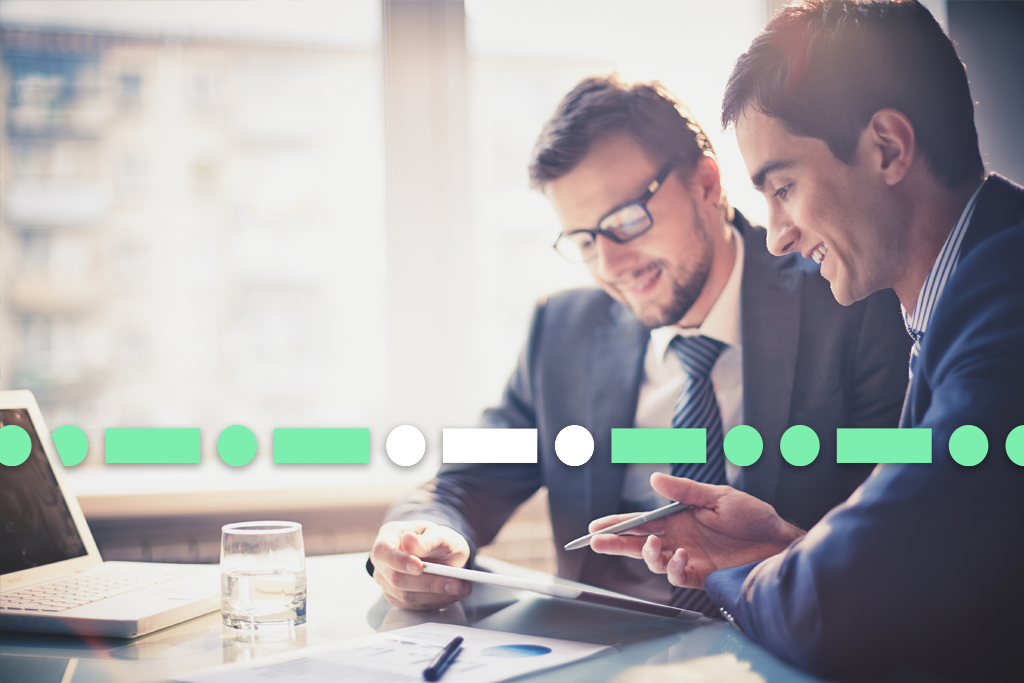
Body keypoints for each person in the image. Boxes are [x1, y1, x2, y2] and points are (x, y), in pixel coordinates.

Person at [590, 1, 1024, 679]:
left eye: (783, 186)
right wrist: (790, 545)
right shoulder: (960, 296)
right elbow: (934, 569)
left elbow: (842, 605)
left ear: (888, 147)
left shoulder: (1006, 294)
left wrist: (755, 571)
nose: (776, 235)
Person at [369, 75, 910, 616]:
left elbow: (895, 538)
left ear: (705, 183)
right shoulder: (561, 331)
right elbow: (465, 479)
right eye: (584, 240)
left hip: (777, 645)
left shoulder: (848, 300)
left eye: (626, 220)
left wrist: (787, 545)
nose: (610, 265)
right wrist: (422, 534)